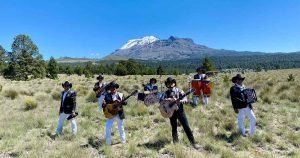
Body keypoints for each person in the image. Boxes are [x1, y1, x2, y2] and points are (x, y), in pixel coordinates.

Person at [160, 77, 199, 149]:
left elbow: (185, 99)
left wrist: (180, 101)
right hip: (171, 112)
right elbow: (161, 102)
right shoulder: (165, 93)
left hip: (180, 111)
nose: (170, 84)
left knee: (186, 126)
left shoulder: (179, 91)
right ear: (167, 85)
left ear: (174, 83)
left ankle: (193, 143)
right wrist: (167, 100)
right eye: (168, 83)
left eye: (171, 82)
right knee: (174, 127)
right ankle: (175, 143)